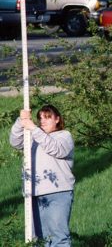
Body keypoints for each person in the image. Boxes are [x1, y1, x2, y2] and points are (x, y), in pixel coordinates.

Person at [10, 105, 75, 246]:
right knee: (39, 238)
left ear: (57, 119)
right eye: (40, 118)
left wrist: (34, 128)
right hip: (34, 193)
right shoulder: (34, 138)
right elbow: (15, 142)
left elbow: (56, 149)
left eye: (47, 117)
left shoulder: (64, 136)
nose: (42, 121)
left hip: (57, 193)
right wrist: (21, 121)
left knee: (58, 236)